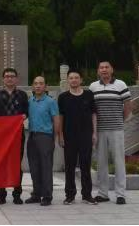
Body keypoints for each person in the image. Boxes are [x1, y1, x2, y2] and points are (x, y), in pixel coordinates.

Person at [90, 61, 132, 205]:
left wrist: (120, 120)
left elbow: (128, 107)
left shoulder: (120, 84)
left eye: (106, 67)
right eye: (101, 67)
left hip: (116, 129)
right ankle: (103, 193)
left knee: (119, 161)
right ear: (98, 71)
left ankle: (120, 194)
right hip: (99, 130)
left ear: (112, 70)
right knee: (101, 162)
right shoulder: (93, 87)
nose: (104, 70)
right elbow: (91, 109)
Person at [58, 69, 98, 206]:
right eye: (71, 78)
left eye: (76, 77)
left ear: (81, 80)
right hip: (69, 136)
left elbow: (93, 114)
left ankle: (87, 195)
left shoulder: (88, 95)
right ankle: (70, 195)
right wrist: (60, 135)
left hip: (86, 135)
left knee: (85, 165)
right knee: (69, 166)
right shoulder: (63, 97)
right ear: (68, 80)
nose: (74, 80)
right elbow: (60, 117)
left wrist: (94, 133)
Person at [0, 68, 29, 205]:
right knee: (1, 164)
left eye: (12, 76)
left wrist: (24, 116)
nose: (9, 78)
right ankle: (1, 194)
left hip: (17, 135)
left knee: (16, 165)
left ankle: (17, 194)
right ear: (3, 79)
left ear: (16, 79)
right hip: (1, 136)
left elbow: (26, 112)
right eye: (7, 76)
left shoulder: (22, 95)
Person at [26, 76, 60, 207]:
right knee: (34, 167)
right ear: (32, 86)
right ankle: (36, 194)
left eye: (41, 83)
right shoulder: (30, 101)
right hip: (32, 136)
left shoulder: (50, 102)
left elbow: (56, 120)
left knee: (46, 167)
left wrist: (54, 138)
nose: (38, 86)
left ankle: (47, 196)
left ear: (45, 86)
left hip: (45, 136)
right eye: (35, 83)